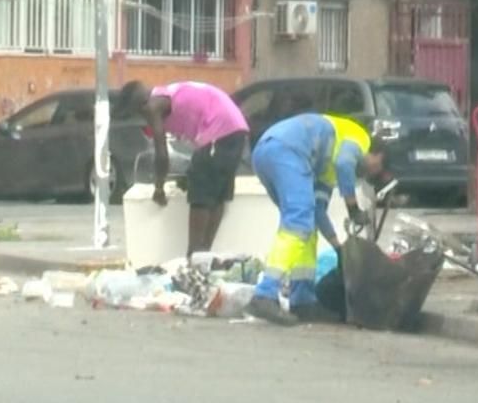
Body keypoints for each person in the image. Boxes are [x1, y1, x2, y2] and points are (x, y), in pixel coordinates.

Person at [246, 110, 386, 326]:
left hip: (267, 152)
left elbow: (319, 211)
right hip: (287, 150)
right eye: (378, 168)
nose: (371, 175)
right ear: (377, 154)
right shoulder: (360, 136)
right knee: (298, 223)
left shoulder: (326, 164)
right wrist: (353, 208)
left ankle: (302, 301)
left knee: (306, 225)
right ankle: (265, 294)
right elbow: (345, 164)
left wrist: (337, 246)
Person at [116, 79, 249, 257]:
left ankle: (193, 255)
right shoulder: (164, 93)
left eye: (137, 114)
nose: (143, 119)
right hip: (236, 128)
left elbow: (162, 155)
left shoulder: (153, 106)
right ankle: (203, 256)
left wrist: (159, 187)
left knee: (200, 186)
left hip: (219, 128)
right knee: (217, 195)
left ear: (140, 107)